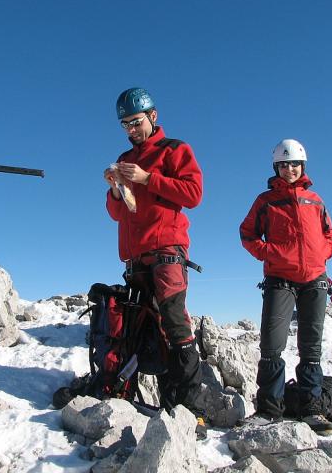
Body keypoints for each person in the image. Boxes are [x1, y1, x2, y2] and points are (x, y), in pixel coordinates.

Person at [103, 87, 207, 438]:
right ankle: (164, 405)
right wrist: (116, 188)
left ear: (153, 116)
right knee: (144, 331)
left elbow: (193, 194)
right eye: (125, 124)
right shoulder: (124, 158)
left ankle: (191, 412)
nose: (131, 129)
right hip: (135, 259)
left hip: (166, 252)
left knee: (175, 326)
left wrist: (147, 178)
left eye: (136, 122)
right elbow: (118, 213)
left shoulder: (174, 150)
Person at [239, 138, 332, 435]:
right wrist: (269, 253)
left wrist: (321, 255)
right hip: (279, 279)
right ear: (276, 168)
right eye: (283, 165)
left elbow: (329, 234)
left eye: (294, 164)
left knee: (311, 348)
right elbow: (247, 234)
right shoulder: (265, 201)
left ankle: (311, 410)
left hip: (315, 280)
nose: (289, 169)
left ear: (302, 166)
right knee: (272, 346)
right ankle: (269, 411)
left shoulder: (315, 200)